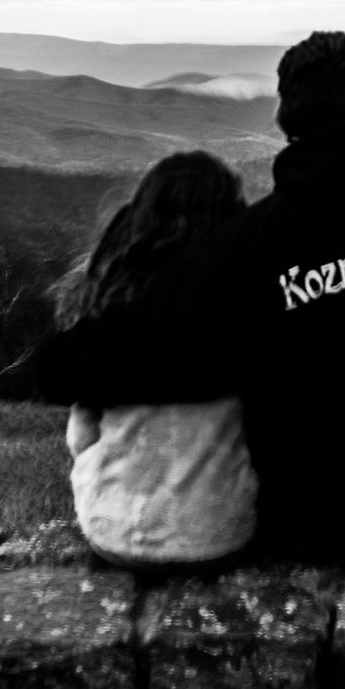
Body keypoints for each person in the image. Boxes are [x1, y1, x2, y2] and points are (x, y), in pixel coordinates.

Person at [37, 31, 345, 563]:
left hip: (319, 524)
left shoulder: (245, 249)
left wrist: (54, 361)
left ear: (283, 118)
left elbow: (117, 354)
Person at [50, 150, 259, 569]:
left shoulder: (108, 319)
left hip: (112, 531)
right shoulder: (245, 308)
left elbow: (80, 436)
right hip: (223, 533)